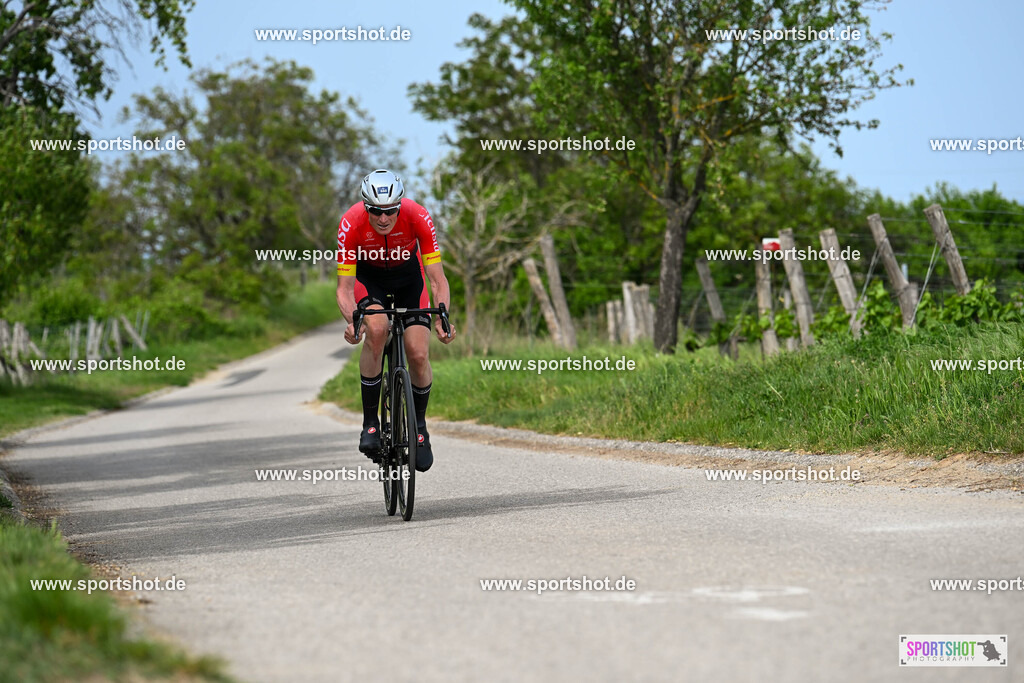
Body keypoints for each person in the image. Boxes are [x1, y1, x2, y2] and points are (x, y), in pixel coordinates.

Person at [336, 169, 456, 472]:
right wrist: (353, 320)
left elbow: (438, 279)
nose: (383, 218)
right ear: (366, 206)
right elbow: (345, 288)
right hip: (369, 279)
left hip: (408, 279)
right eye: (375, 210)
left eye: (390, 210)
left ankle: (420, 427)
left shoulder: (417, 216)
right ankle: (370, 424)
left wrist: (442, 316)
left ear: (399, 205)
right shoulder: (351, 223)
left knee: (417, 353)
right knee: (377, 329)